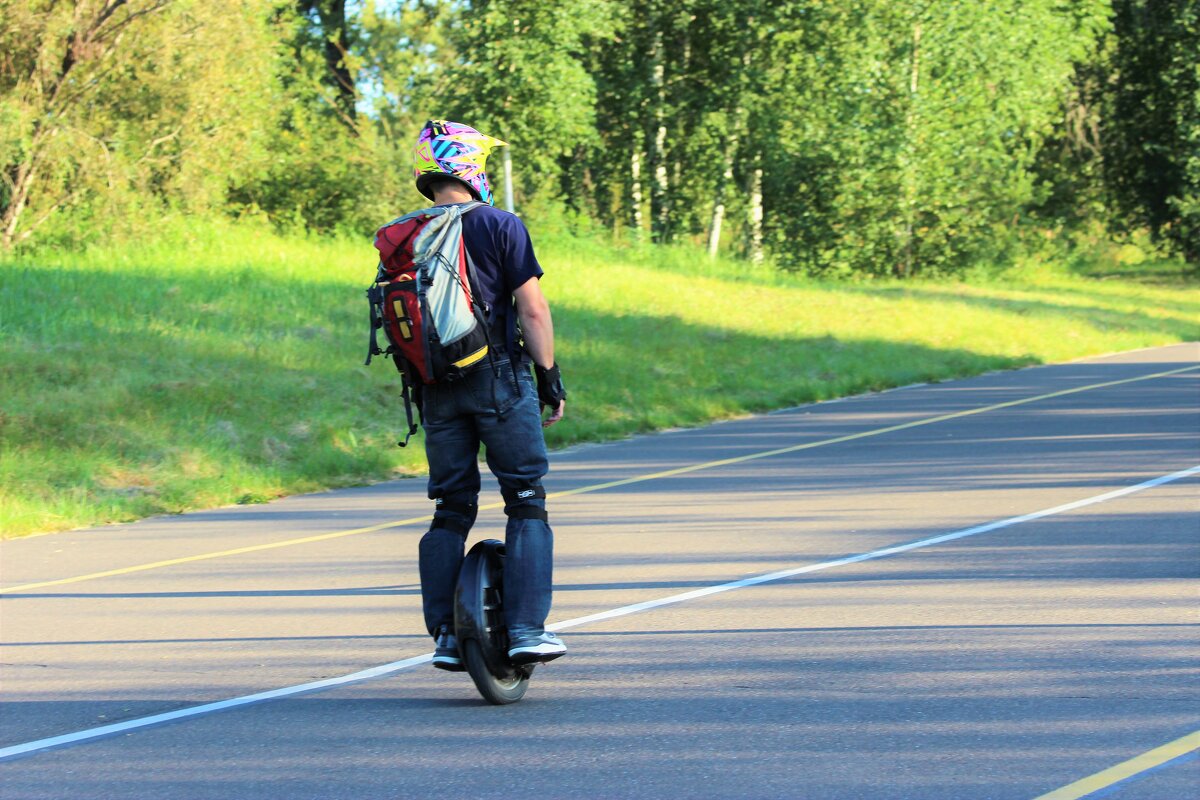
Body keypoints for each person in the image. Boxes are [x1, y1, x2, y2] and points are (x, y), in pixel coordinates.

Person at [406, 120, 568, 670]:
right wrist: (548, 376)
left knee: (450, 510)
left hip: (435, 390)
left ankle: (448, 637)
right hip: (499, 377)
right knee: (525, 497)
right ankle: (525, 630)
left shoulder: (402, 234)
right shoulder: (501, 225)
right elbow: (534, 309)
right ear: (470, 165)